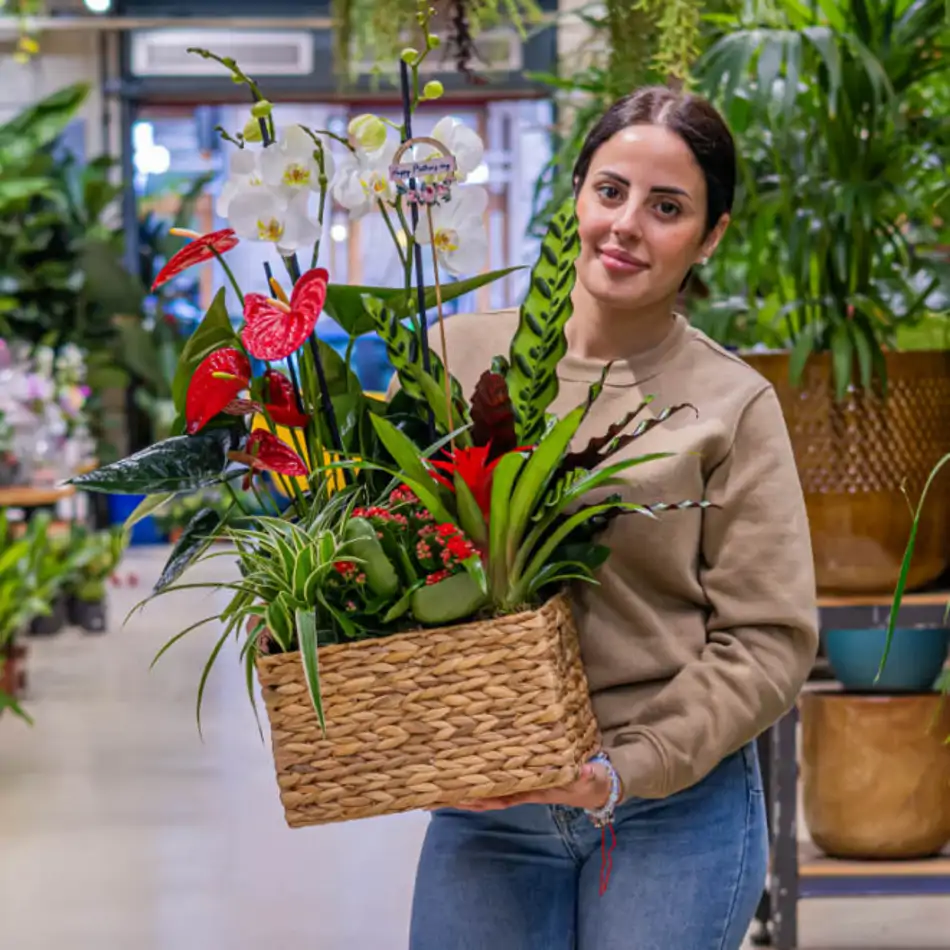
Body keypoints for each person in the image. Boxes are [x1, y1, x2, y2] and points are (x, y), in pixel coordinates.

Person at [406, 87, 819, 950]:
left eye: (668, 208)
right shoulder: (458, 358)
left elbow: (770, 639)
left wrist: (620, 770)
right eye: (611, 190)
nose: (627, 224)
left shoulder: (731, 405)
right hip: (490, 807)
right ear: (577, 197)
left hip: (668, 808)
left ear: (710, 238)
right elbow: (387, 558)